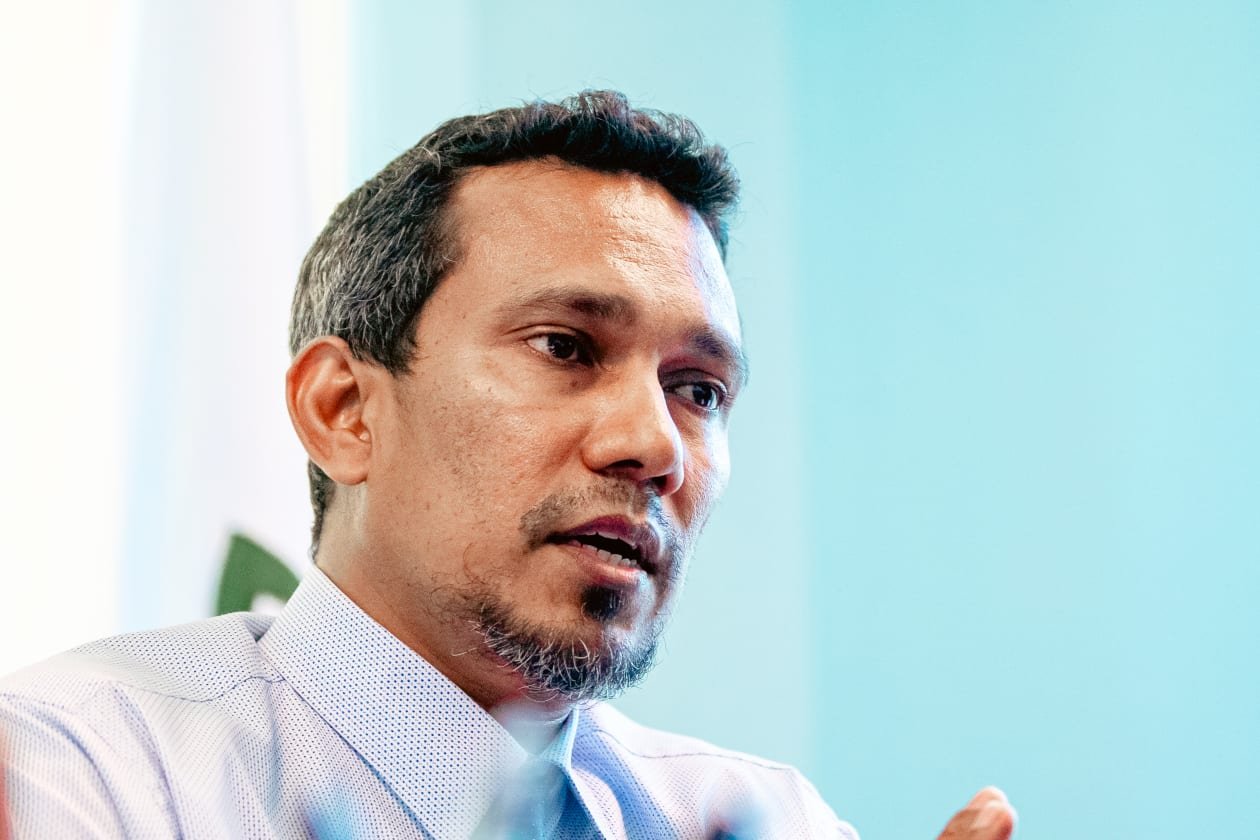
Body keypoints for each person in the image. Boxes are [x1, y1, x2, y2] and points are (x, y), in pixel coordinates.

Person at [0, 91, 1016, 839]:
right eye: (565, 346)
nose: (655, 445)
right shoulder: (77, 772)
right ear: (344, 410)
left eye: (699, 389)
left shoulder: (770, 819)